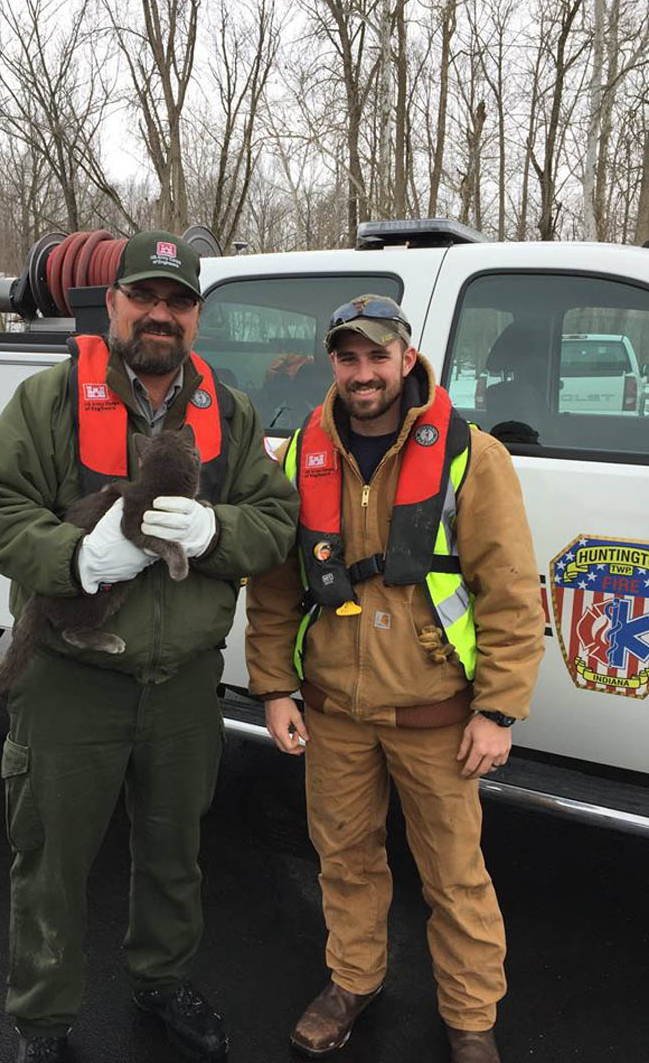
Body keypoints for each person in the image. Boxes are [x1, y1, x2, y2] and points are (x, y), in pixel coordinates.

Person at [0, 230, 299, 1063]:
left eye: (178, 302)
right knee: (51, 863)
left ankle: (161, 979)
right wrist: (72, 556)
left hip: (183, 686)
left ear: (196, 318)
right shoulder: (49, 401)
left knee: (175, 853)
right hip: (71, 680)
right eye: (144, 296)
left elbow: (278, 520)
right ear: (111, 304)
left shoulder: (232, 413)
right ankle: (43, 1022)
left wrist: (218, 530)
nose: (161, 315)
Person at [245, 294, 545, 1063]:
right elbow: (277, 588)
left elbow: (510, 590)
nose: (363, 372)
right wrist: (274, 688)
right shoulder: (296, 458)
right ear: (333, 364)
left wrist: (499, 711)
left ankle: (472, 1022)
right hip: (334, 711)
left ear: (407, 358)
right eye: (348, 357)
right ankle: (354, 981)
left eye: (378, 356)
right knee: (344, 860)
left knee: (455, 877)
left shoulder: (472, 456)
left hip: (438, 713)